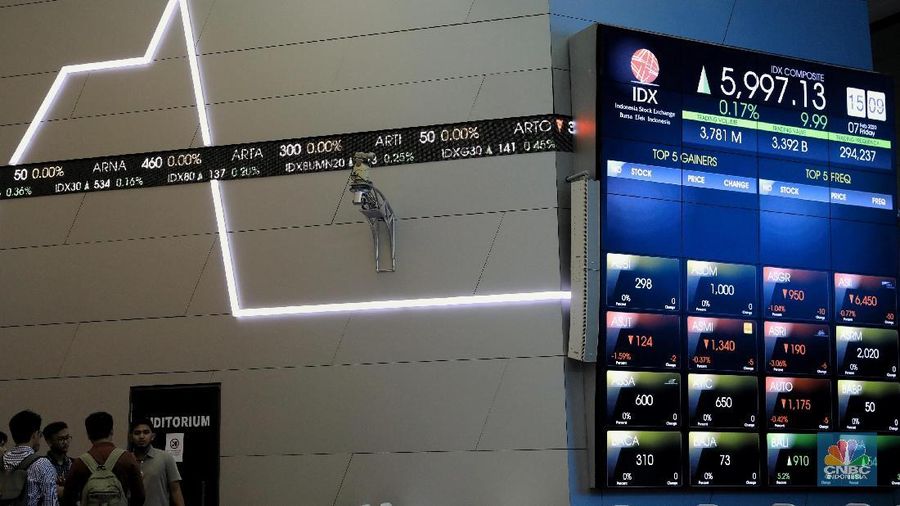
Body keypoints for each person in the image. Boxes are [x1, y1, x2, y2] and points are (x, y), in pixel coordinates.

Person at [60, 412, 144, 506]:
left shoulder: (80, 463)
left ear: (88, 435)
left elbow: (68, 498)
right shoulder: (127, 458)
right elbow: (140, 496)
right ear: (112, 431)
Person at [3, 410, 59, 506]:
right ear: (34, 434)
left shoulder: (2, 460)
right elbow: (50, 502)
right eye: (40, 434)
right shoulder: (42, 464)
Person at [129, 419, 184, 506]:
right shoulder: (126, 460)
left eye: (146, 432)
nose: (141, 436)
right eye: (137, 433)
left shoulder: (165, 458)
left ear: (153, 436)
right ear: (131, 437)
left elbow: (176, 491)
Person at [41, 422, 72, 499]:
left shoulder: (73, 463)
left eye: (67, 438)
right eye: (61, 439)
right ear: (49, 442)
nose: (65, 442)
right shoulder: (42, 465)